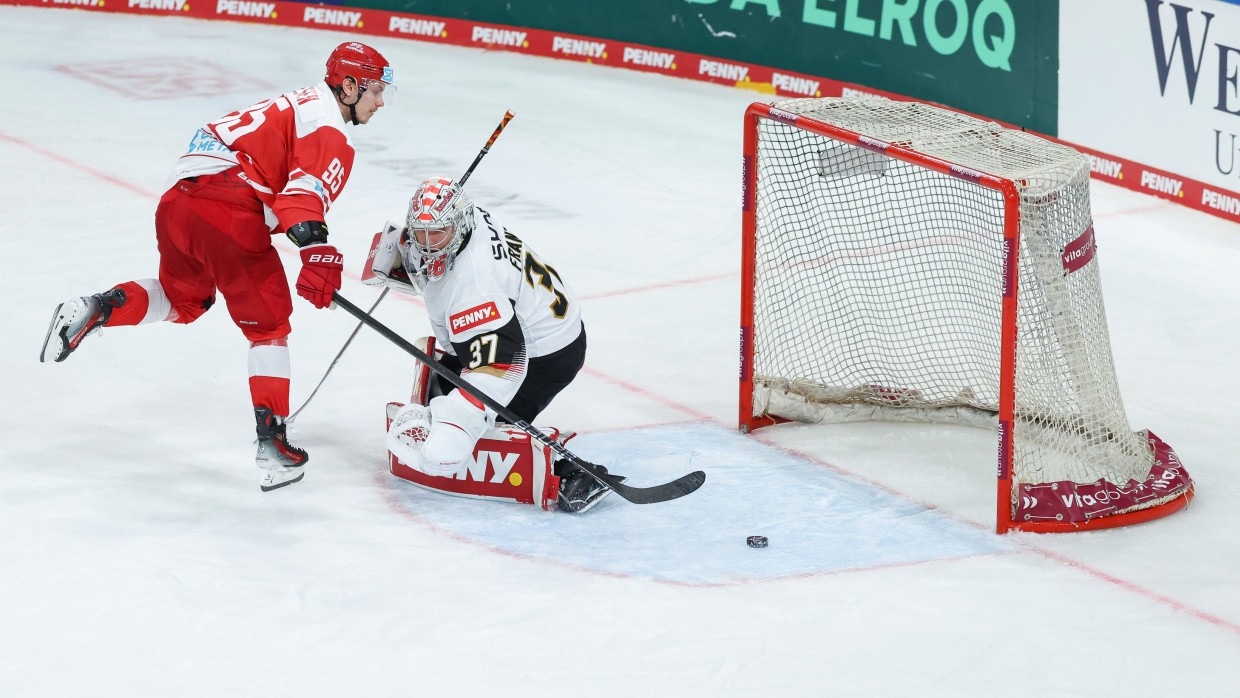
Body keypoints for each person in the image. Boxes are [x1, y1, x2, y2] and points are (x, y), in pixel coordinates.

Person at [39, 42, 395, 492]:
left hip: (176, 201)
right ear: (348, 86)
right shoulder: (328, 129)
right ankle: (273, 445)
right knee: (270, 327)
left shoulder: (294, 103)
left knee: (184, 300)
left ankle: (96, 307)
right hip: (227, 206)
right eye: (376, 91)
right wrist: (315, 251)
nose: (380, 102)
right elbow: (301, 196)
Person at [366, 175, 616, 512]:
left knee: (483, 428)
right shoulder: (464, 220)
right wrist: (395, 258)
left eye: (436, 234)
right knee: (446, 390)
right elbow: (426, 243)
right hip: (526, 319)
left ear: (458, 223)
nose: (425, 245)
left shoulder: (475, 282)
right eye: (419, 232)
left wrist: (459, 421)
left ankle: (571, 474)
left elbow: (503, 365)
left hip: (547, 355)